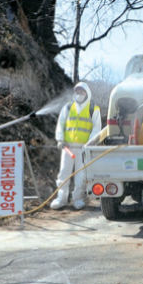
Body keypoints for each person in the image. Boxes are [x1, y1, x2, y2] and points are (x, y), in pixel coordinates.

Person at [50, 82, 101, 210]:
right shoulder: (67, 107)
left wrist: (89, 143)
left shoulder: (93, 109)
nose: (79, 94)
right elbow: (60, 124)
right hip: (67, 148)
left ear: (87, 93)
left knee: (81, 175)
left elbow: (97, 128)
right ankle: (61, 199)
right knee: (63, 173)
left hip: (84, 149)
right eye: (77, 91)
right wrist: (60, 139)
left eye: (82, 91)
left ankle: (77, 199)